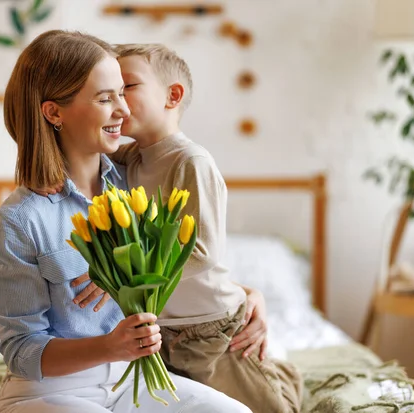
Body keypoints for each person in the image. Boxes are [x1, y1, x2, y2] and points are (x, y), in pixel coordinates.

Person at [0, 30, 252, 413]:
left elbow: (176, 261)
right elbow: (22, 352)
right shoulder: (20, 221)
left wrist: (252, 298)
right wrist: (110, 346)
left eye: (123, 93)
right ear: (54, 112)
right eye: (106, 98)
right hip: (50, 391)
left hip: (130, 383)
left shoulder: (133, 184)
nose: (123, 110)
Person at [71, 43, 303, 413]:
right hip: (163, 328)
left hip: (209, 327)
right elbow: (75, 141)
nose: (118, 100)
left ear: (172, 95)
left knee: (271, 407)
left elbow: (202, 252)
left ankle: (284, 374)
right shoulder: (129, 159)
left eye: (127, 87)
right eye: (110, 92)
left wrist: (119, 279)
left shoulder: (190, 161)